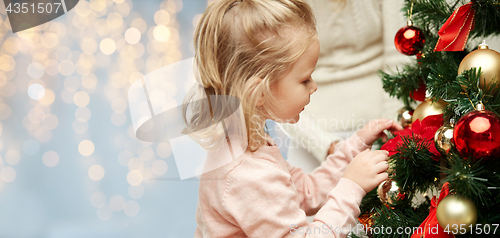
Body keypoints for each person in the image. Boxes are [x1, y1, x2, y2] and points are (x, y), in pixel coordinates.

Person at [185, 0, 402, 237]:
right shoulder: (249, 174)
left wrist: (355, 146)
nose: (314, 87)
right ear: (259, 93)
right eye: (305, 80)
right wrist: (352, 187)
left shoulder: (248, 142)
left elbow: (306, 191)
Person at [280, 0, 411, 161]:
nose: (314, 87)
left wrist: (392, 136)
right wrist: (326, 146)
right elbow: (273, 86)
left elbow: (401, 57)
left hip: (381, 128)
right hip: (309, 137)